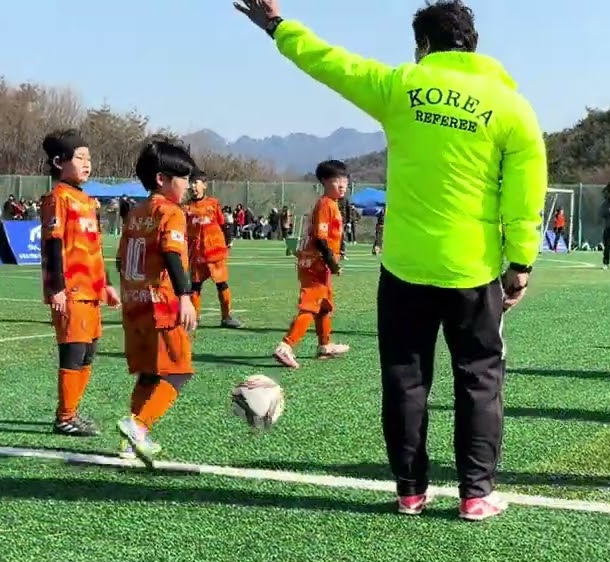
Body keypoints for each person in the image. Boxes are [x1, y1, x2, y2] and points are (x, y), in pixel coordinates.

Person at [235, 0, 547, 521]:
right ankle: (475, 494)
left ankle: (410, 491)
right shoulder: (511, 106)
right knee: (480, 377)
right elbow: (524, 195)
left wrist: (276, 26)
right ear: (472, 44)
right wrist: (521, 263)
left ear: (423, 46)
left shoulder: (401, 85)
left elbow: (330, 62)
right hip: (473, 268)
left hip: (403, 267)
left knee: (405, 377)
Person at [115, 139, 199, 467]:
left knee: (149, 375)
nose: (188, 185)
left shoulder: (135, 213)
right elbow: (171, 254)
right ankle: (138, 426)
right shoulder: (170, 211)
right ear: (162, 179)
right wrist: (185, 296)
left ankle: (127, 443)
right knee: (179, 373)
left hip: (134, 304)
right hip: (161, 305)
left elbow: (121, 261)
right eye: (184, 178)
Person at [39, 130, 119, 437]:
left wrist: (107, 285)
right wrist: (55, 287)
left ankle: (72, 411)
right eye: (80, 158)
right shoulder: (57, 199)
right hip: (71, 290)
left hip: (91, 290)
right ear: (60, 162)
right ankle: (65, 417)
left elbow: (96, 249)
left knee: (88, 352)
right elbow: (52, 245)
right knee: (72, 352)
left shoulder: (87, 201)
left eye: (89, 158)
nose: (87, 163)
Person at [273, 160, 351, 368]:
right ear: (325, 182)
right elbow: (320, 238)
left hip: (318, 262)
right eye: (337, 181)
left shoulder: (332, 204)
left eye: (345, 180)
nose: (342, 185)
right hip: (316, 263)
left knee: (324, 305)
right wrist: (332, 263)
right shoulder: (326, 204)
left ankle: (325, 344)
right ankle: (286, 346)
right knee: (310, 305)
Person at [185, 170, 243, 328]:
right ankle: (194, 318)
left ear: (204, 185)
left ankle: (226, 316)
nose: (192, 187)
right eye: (190, 183)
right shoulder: (185, 207)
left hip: (215, 253)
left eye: (195, 183)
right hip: (196, 253)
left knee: (222, 284)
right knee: (195, 286)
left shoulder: (213, 203)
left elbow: (223, 224)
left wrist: (228, 240)